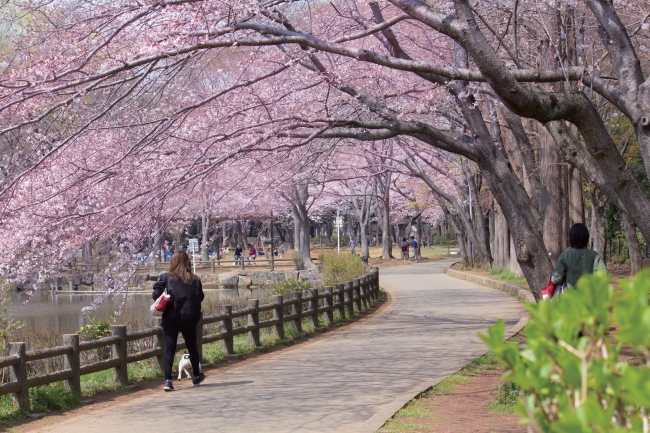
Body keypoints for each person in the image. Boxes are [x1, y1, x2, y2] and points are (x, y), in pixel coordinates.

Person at [152, 250, 205, 391]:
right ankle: (196, 376)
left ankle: (168, 381)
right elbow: (200, 297)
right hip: (189, 319)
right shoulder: (195, 280)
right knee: (192, 348)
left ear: (173, 262)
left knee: (170, 349)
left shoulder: (166, 278)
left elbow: (155, 294)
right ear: (187, 262)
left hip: (171, 318)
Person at [551, 223, 608, 294]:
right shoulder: (595, 256)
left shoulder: (565, 255)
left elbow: (558, 279)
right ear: (586, 237)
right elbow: (604, 277)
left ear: (571, 238)